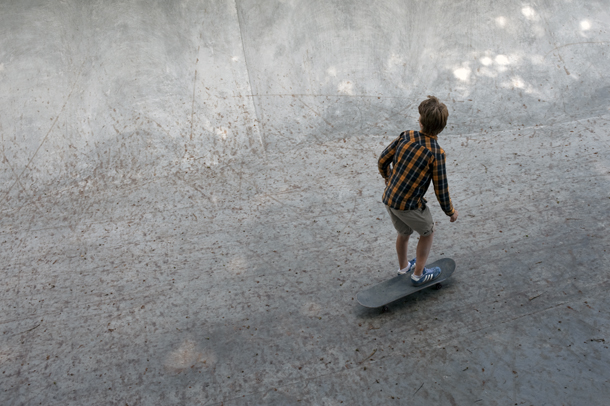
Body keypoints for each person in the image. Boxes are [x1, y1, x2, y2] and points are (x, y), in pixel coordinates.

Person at [378, 95, 458, 286]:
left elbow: (382, 160)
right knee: (428, 232)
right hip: (409, 205)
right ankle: (418, 274)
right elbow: (441, 189)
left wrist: (388, 177)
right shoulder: (436, 153)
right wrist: (450, 211)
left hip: (390, 199)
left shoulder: (406, 135)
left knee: (404, 234)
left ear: (420, 122)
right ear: (442, 127)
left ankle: (404, 266)